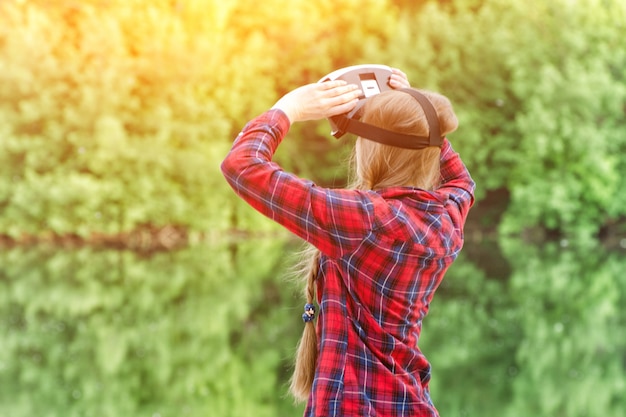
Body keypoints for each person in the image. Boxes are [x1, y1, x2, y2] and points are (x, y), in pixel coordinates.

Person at [221, 68, 475, 417]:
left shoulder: (367, 220)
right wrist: (417, 111)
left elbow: (242, 166)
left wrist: (288, 109)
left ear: (372, 151)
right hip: (410, 403)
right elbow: (462, 181)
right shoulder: (446, 216)